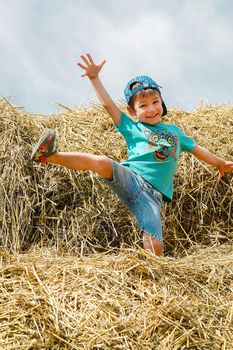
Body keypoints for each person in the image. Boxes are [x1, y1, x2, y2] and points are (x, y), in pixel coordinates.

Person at [31, 53, 233, 256]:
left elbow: (198, 149)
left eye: (155, 102)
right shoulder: (132, 127)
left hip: (152, 197)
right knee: (102, 162)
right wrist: (94, 78)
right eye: (143, 106)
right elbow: (108, 105)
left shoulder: (176, 133)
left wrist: (220, 163)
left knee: (155, 243)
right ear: (132, 110)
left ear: (162, 102)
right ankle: (50, 156)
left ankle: (156, 275)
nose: (151, 109)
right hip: (132, 179)